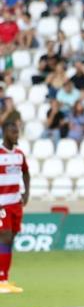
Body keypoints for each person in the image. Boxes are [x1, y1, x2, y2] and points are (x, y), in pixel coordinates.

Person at [0, 121, 29, 294]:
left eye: (17, 133)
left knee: (10, 240)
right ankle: (1, 280)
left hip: (15, 204)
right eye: (13, 133)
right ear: (5, 133)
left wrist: (26, 194)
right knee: (5, 237)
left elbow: (26, 173)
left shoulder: (19, 155)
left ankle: (5, 278)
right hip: (2, 204)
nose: (16, 136)